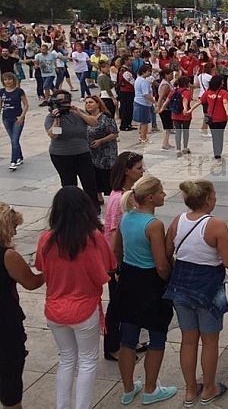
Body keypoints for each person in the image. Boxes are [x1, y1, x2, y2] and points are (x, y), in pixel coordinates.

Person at [164, 180, 228, 407]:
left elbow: (169, 251)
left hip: (181, 288)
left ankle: (190, 390)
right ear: (208, 199)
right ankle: (209, 387)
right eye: (214, 195)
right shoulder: (216, 225)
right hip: (208, 290)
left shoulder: (177, 221)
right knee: (210, 341)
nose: (216, 198)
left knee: (188, 340)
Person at [35, 187, 116, 409]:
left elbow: (41, 268)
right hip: (85, 309)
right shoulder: (93, 238)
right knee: (88, 361)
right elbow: (107, 270)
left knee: (66, 359)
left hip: (54, 309)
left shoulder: (46, 239)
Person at [114, 176, 177, 405]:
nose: (164, 194)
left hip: (130, 279)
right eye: (161, 191)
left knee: (128, 337)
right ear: (150, 197)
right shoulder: (154, 225)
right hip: (150, 282)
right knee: (157, 335)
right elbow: (161, 264)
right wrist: (169, 279)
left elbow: (117, 249)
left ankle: (128, 389)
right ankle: (151, 389)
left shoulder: (126, 217)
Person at [0, 203, 44, 409]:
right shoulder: (8, 256)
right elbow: (31, 283)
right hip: (5, 322)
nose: (16, 232)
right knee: (10, 376)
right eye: (14, 227)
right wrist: (49, 271)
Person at [102, 151, 145, 362]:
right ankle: (111, 346)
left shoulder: (131, 193)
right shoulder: (118, 198)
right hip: (118, 262)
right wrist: (117, 266)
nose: (142, 171)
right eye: (138, 168)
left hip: (130, 259)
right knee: (117, 304)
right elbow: (112, 233)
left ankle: (128, 341)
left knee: (128, 302)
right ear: (127, 171)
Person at [44, 89, 100, 210]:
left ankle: (94, 210)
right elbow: (53, 135)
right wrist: (57, 120)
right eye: (59, 101)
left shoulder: (77, 112)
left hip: (82, 153)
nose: (63, 104)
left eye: (65, 101)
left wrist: (79, 113)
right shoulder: (50, 117)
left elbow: (94, 122)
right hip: (61, 155)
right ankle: (72, 211)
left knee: (89, 183)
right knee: (69, 185)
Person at [85, 96, 119, 205]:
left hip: (106, 152)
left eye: (91, 102)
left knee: (107, 175)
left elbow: (114, 133)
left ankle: (113, 199)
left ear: (98, 104)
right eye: (86, 103)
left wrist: (101, 141)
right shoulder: (86, 118)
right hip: (92, 152)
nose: (88, 104)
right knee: (94, 175)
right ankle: (98, 197)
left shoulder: (106, 117)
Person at [191, 74, 228, 161]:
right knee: (219, 135)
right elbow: (225, 103)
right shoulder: (222, 93)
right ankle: (218, 151)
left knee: (216, 135)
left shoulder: (209, 93)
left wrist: (191, 110)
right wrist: (227, 112)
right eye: (222, 81)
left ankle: (217, 152)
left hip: (216, 118)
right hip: (219, 118)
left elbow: (199, 102)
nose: (223, 83)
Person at [0, 72, 28, 171]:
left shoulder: (19, 91)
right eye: (5, 80)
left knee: (14, 139)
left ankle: (13, 161)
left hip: (17, 117)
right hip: (6, 118)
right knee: (13, 139)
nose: (7, 81)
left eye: (9, 79)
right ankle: (19, 156)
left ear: (13, 80)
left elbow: (25, 104)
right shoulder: (2, 91)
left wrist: (22, 116)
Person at [164, 76, 193, 158]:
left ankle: (178, 149)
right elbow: (185, 101)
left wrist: (162, 107)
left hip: (175, 114)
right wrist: (185, 109)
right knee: (186, 130)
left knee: (178, 131)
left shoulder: (173, 91)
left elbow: (167, 100)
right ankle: (185, 147)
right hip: (185, 114)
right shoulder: (187, 92)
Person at [133, 64, 155, 144]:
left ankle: (141, 135)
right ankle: (144, 137)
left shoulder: (138, 79)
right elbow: (146, 94)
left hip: (138, 101)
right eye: (149, 72)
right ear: (144, 72)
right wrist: (154, 102)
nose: (150, 73)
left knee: (142, 121)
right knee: (145, 122)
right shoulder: (144, 82)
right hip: (143, 103)